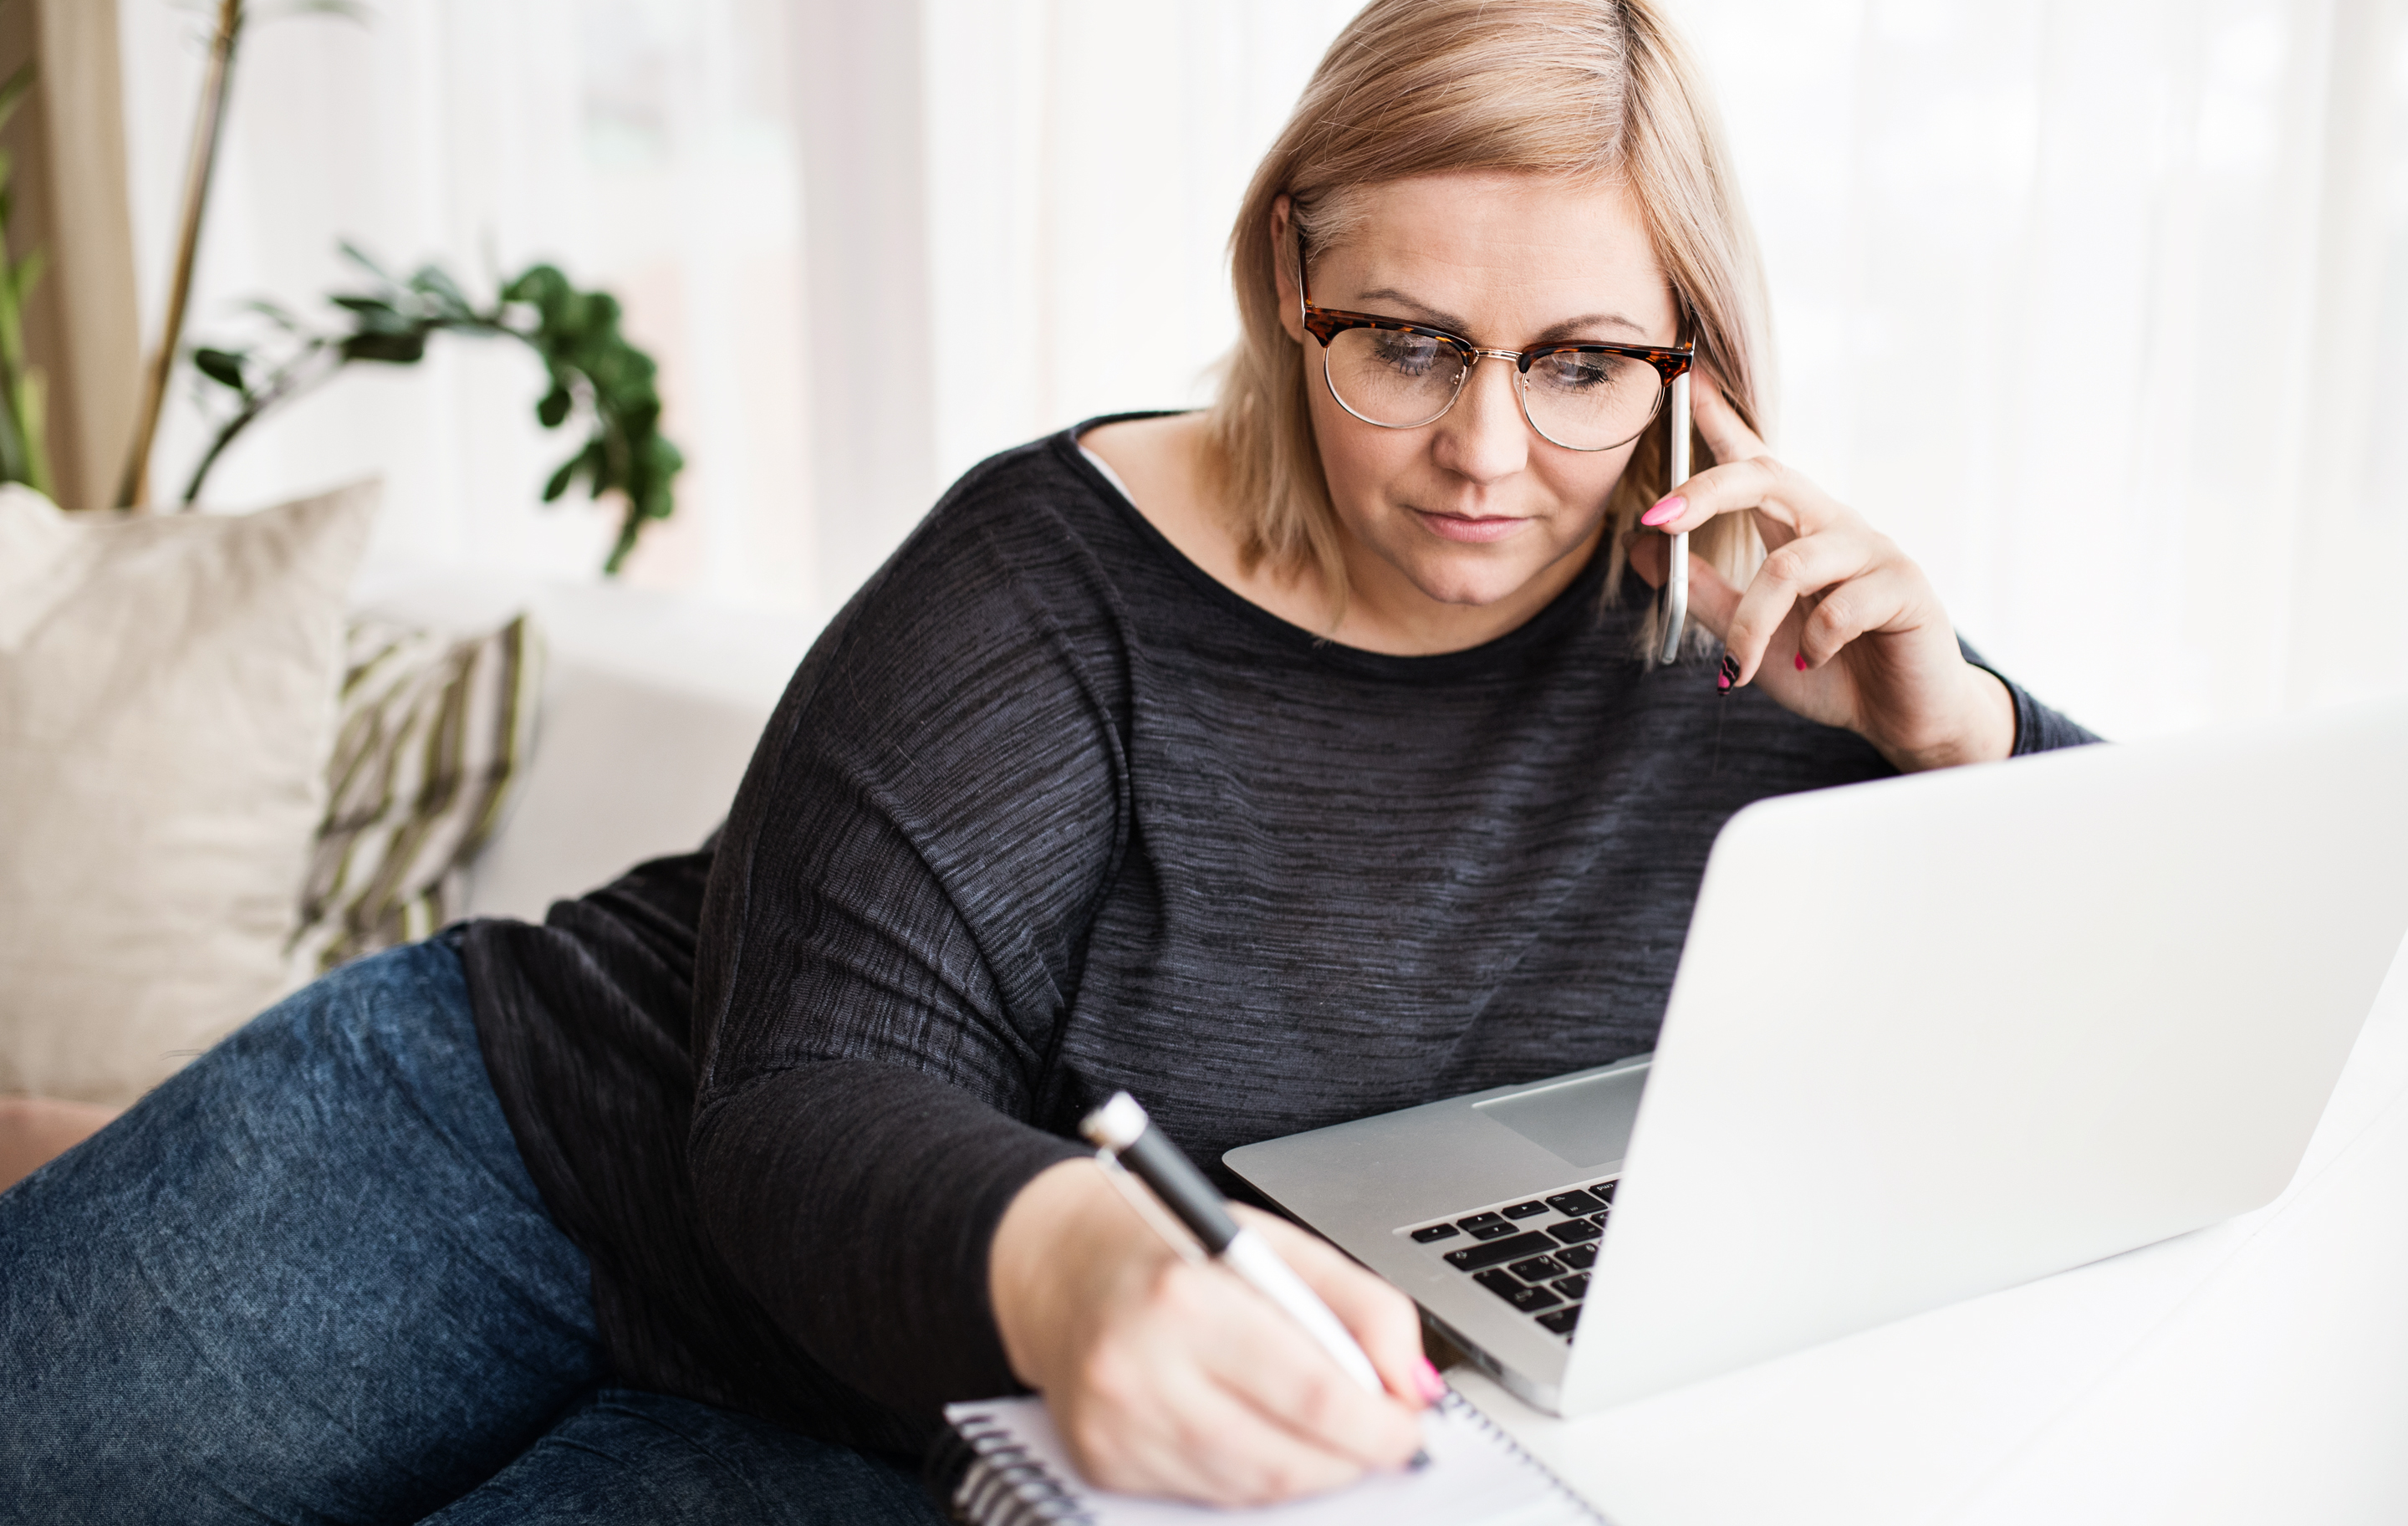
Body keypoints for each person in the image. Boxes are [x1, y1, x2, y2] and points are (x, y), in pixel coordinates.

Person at [0, 1, 2095, 1519]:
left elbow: (2154, 999)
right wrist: (1094, 1258)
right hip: (538, 1157)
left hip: (908, 1425)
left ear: (1693, 362)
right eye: (1409, 342)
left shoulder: (1760, 646)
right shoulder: (1049, 576)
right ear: (1291, 278)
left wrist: (1963, 730)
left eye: (1579, 365)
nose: (1486, 451)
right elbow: (799, 1103)